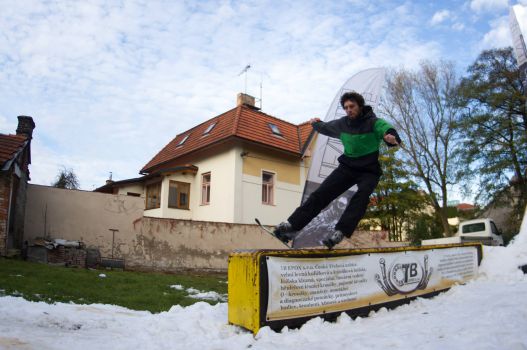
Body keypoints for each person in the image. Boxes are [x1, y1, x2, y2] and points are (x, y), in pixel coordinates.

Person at [274, 92, 401, 249]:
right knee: (321, 194)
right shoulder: (342, 124)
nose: (349, 110)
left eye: (352, 106)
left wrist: (391, 137)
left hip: (369, 171)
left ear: (360, 106)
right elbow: (327, 127)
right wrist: (315, 123)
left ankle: (340, 231)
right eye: (346, 107)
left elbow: (386, 128)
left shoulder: (373, 122)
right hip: (347, 167)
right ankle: (291, 226)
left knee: (361, 197)